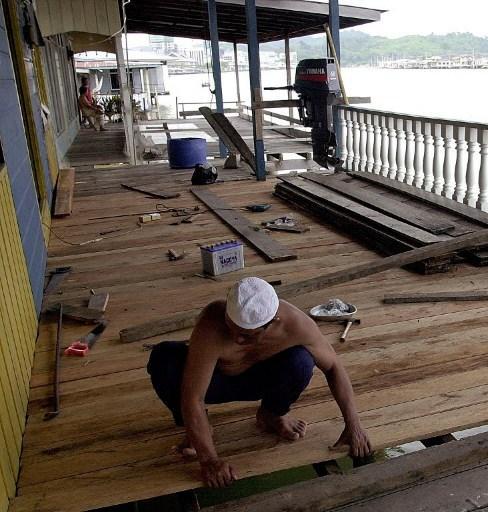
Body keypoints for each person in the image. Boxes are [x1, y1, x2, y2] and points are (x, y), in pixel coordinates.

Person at [148, 277, 372, 488]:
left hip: (260, 380)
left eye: (247, 335)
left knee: (301, 361)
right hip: (215, 382)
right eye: (232, 328)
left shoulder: (296, 324)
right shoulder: (211, 323)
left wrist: (354, 425)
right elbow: (193, 396)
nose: (237, 339)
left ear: (272, 322)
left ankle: (272, 413)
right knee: (163, 359)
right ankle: (199, 427)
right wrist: (209, 460)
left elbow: (334, 367)